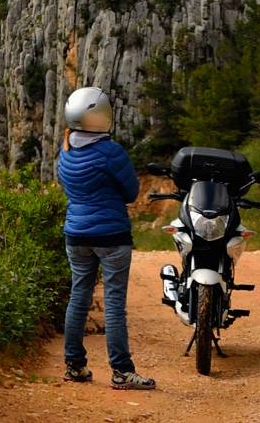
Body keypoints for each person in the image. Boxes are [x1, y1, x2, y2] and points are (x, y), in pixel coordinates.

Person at [54, 85, 155, 391]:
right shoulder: (111, 152)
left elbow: (69, 188)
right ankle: (121, 371)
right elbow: (130, 192)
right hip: (111, 236)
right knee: (113, 305)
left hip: (76, 235)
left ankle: (75, 365)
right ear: (102, 116)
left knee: (78, 298)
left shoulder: (66, 149)